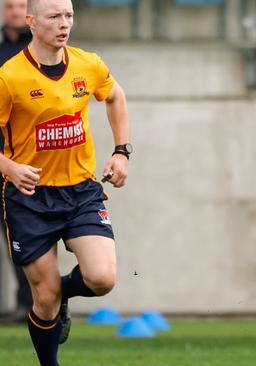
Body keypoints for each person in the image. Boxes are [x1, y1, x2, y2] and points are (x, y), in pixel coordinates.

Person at [0, 0, 131, 364]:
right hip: (29, 199)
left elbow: (115, 96)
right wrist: (8, 167)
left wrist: (121, 150)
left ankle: (65, 294)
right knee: (44, 299)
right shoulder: (9, 77)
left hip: (80, 191)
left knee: (102, 278)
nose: (64, 24)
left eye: (69, 16)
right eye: (54, 16)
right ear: (31, 21)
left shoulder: (88, 64)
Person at [0, 0, 34, 325]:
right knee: (11, 238)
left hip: (27, 162)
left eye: (21, 5)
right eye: (10, 5)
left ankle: (36, 303)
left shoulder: (39, 52)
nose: (15, 11)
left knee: (27, 236)